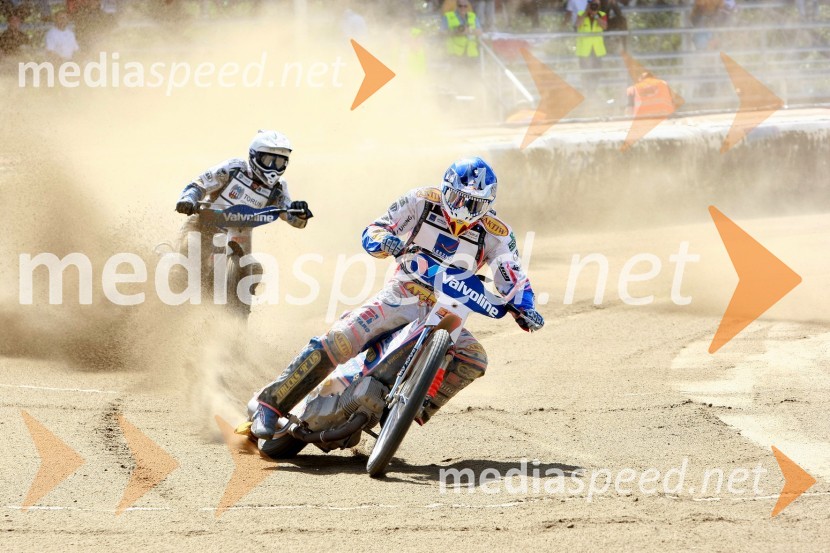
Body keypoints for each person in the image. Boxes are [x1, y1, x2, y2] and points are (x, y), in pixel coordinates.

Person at [250, 157, 545, 439]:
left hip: (449, 309)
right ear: (445, 188)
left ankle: (408, 409)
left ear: (489, 204)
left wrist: (525, 306)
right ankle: (270, 404)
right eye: (458, 198)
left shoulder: (498, 233)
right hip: (403, 293)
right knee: (342, 337)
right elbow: (376, 229)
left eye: (476, 203)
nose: (465, 208)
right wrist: (385, 241)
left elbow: (512, 273)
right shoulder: (420, 199)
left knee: (475, 358)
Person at [173, 130, 313, 294]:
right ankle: (168, 298)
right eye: (269, 160)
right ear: (255, 157)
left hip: (239, 240)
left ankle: (236, 312)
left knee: (254, 270)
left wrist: (299, 212)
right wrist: (188, 200)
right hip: (202, 226)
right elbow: (199, 184)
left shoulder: (278, 187)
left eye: (280, 162)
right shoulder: (234, 169)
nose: (273, 168)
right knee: (186, 259)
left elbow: (289, 213)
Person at [575, 1, 607, 76]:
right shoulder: (581, 13)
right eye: (593, 4)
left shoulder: (602, 15)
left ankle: (594, 87)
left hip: (597, 49)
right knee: (584, 72)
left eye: (597, 4)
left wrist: (595, 15)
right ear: (588, 4)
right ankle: (585, 87)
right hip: (584, 50)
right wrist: (586, 12)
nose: (595, 6)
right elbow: (578, 24)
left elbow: (604, 26)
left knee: (597, 72)